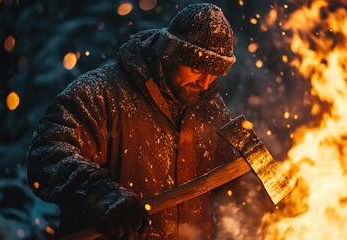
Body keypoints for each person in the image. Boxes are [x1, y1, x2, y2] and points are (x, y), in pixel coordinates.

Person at [27, 3, 269, 239]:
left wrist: (273, 195)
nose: (205, 83)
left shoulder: (212, 109)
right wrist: (103, 198)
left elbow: (239, 187)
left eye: (214, 72)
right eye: (197, 69)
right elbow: (48, 153)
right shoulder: (102, 92)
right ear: (171, 53)